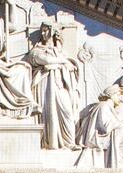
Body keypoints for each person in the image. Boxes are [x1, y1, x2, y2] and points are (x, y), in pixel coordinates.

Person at [27, 15, 91, 149]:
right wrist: (63, 61)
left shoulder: (59, 52)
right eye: (42, 30)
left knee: (66, 111)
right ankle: (52, 143)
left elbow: (71, 69)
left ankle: (69, 142)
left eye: (46, 30)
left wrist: (62, 59)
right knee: (50, 112)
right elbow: (46, 61)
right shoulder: (36, 50)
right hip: (45, 85)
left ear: (53, 32)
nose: (44, 33)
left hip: (61, 85)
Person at [73, 77, 123, 168]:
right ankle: (122, 162)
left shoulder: (108, 107)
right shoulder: (103, 106)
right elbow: (105, 128)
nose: (120, 98)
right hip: (99, 139)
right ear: (112, 95)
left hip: (107, 135)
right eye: (118, 95)